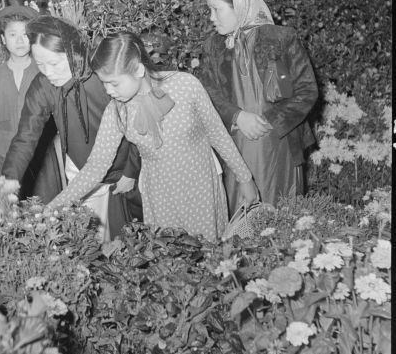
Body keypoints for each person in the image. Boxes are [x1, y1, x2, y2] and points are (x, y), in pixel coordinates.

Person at [47, 31, 258, 242]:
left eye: (114, 83)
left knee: (208, 256)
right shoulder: (117, 111)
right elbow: (96, 165)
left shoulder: (185, 85)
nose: (108, 91)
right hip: (159, 197)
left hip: (201, 189)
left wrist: (245, 178)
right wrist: (55, 206)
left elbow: (217, 133)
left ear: (138, 69)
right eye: (104, 83)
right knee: (170, 261)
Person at [2, 16, 142, 242]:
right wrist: (9, 181)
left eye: (55, 64)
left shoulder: (102, 76)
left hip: (119, 171)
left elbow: (137, 121)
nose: (48, 72)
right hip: (79, 171)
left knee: (122, 240)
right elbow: (25, 137)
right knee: (85, 240)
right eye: (41, 64)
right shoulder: (44, 85)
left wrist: (130, 171)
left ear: (74, 53)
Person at [196, 0, 318, 214]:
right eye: (209, 10)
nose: (211, 17)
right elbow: (207, 91)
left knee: (280, 214)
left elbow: (307, 90)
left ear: (239, 6)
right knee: (240, 213)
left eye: (216, 9)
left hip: (277, 145)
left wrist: (268, 122)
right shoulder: (213, 46)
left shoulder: (280, 38)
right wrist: (238, 116)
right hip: (235, 145)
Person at [0, 5, 62, 202]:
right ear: (3, 39)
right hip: (4, 156)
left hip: (40, 156)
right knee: (9, 210)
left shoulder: (44, 71)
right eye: (12, 35)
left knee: (44, 208)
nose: (19, 41)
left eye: (25, 34)